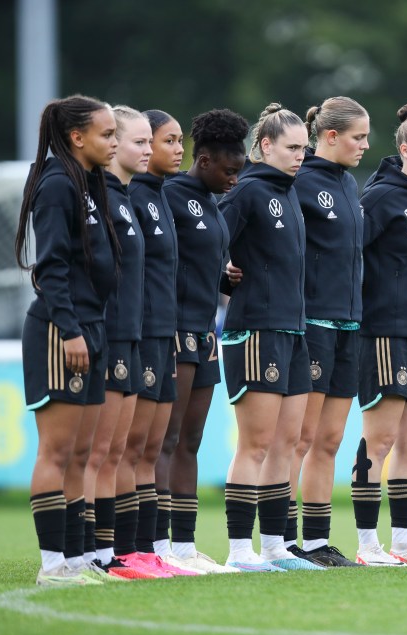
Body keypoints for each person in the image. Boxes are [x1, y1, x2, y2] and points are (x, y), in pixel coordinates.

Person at [14, 94, 120, 586]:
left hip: (91, 328)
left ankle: (76, 559)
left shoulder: (87, 184)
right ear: (77, 137)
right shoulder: (57, 184)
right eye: (107, 134)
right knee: (56, 452)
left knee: (82, 454)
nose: (115, 142)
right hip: (62, 331)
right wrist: (71, 330)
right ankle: (52, 563)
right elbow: (52, 266)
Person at [219, 103, 324, 572]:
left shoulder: (291, 192)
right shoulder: (246, 192)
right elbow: (205, 244)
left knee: (288, 442)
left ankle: (275, 547)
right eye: (292, 147)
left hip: (294, 331)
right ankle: (240, 551)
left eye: (305, 147)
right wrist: (222, 274)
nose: (301, 155)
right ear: (264, 146)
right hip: (256, 331)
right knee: (255, 444)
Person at [351, 104, 407, 567]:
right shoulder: (382, 196)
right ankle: (367, 544)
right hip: (387, 332)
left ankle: (403, 543)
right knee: (379, 441)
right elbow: (349, 251)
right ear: (404, 149)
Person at [157, 108, 249, 574]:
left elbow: (201, 268)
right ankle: (156, 546)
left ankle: (186, 546)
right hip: (172, 330)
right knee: (165, 438)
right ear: (205, 159)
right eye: (229, 170)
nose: (235, 179)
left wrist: (225, 279)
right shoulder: (170, 195)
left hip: (204, 332)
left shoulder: (213, 201)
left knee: (191, 440)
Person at [282, 97, 368, 568]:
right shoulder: (300, 181)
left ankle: (315, 541)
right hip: (312, 322)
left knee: (330, 441)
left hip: (350, 323)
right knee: (301, 437)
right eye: (358, 136)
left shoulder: (349, 183)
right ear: (330, 137)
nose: (365, 145)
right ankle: (284, 541)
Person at [81, 105, 159, 579]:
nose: (147, 149)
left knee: (115, 451)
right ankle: (85, 551)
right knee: (97, 450)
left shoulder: (126, 197)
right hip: (106, 336)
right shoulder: (99, 199)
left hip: (132, 336)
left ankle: (109, 552)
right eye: (137, 141)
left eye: (151, 141)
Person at [117, 109, 195, 576]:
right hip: (138, 334)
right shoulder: (132, 196)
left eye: (158, 142)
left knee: (149, 449)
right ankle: (118, 549)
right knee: (128, 449)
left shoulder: (158, 195)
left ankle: (148, 548)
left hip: (163, 334)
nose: (158, 150)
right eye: (148, 141)